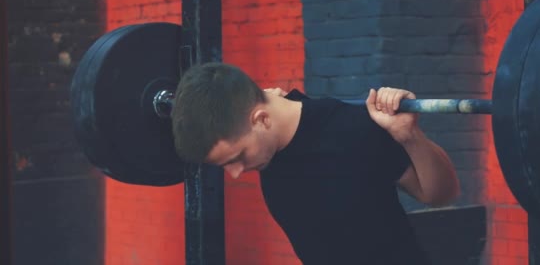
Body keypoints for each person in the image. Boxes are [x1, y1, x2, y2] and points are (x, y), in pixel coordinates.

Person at [171, 62, 460, 265]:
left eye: (237, 158)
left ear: (261, 119)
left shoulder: (353, 129)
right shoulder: (266, 144)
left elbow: (440, 194)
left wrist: (410, 137)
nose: (235, 173)